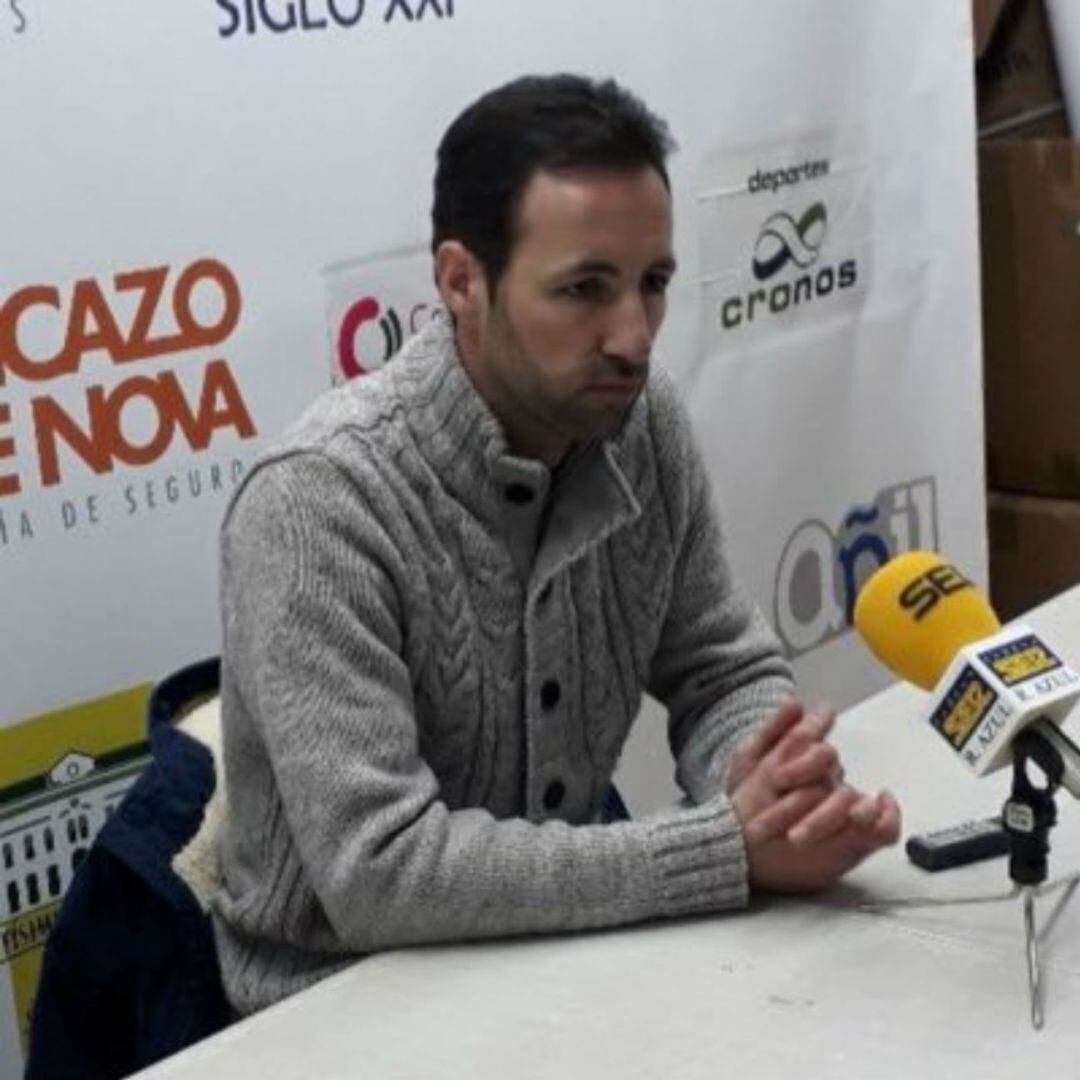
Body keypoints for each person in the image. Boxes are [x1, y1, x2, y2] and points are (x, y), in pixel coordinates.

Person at [212, 73, 901, 1016]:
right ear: (460, 282)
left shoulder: (641, 421)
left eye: (652, 284)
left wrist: (770, 782)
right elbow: (379, 870)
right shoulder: (318, 501)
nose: (633, 336)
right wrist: (725, 849)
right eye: (584, 289)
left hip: (558, 958)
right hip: (333, 1004)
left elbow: (720, 670)